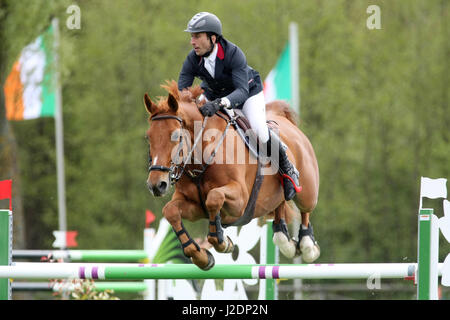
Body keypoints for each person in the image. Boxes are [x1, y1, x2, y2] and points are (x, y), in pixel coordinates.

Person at [178, 12, 301, 200]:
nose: (192, 42)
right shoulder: (193, 58)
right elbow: (182, 90)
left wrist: (219, 104)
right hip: (214, 94)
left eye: (197, 36)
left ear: (212, 38)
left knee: (259, 130)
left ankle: (288, 170)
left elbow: (241, 91)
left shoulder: (233, 53)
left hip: (247, 93)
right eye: (191, 36)